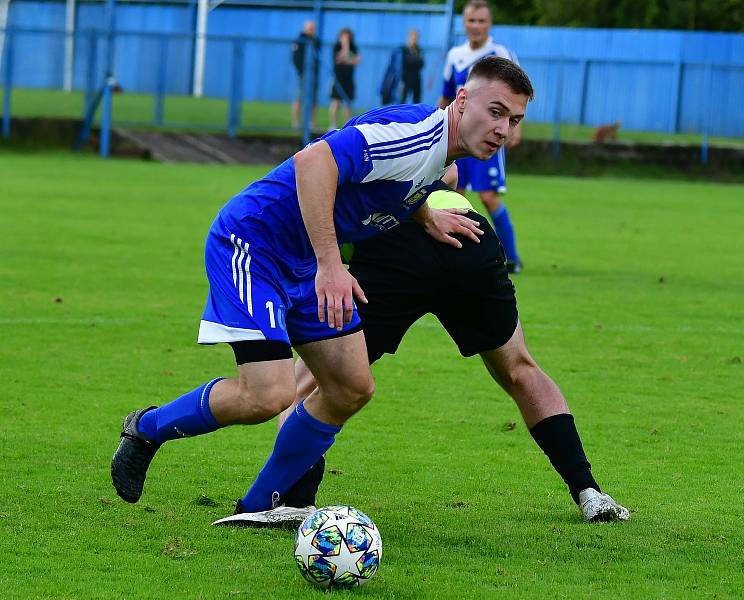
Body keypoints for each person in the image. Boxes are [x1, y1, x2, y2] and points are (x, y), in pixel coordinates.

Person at [110, 57, 535, 525]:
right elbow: (315, 161)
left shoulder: (443, 160)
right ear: (462, 100)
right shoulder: (418, 137)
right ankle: (146, 429)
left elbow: (401, 182)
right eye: (495, 112)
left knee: (351, 387)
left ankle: (262, 504)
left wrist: (426, 216)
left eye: (514, 120)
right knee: (266, 396)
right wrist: (332, 265)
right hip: (256, 244)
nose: (503, 130)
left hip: (307, 259)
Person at [214, 180, 630, 528]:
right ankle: (588, 491)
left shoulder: (353, 151)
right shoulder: (432, 134)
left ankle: (295, 496)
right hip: (469, 235)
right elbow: (447, 174)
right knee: (520, 368)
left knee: (315, 378)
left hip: (395, 247)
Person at [440, 0, 524, 274]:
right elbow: (446, 96)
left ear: (490, 24)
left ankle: (512, 257)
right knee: (454, 196)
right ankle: (453, 257)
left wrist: (515, 128)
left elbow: (517, 94)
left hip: (486, 138)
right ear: (464, 23)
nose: (476, 26)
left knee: (488, 197)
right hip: (456, 138)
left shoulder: (500, 54)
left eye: (481, 21)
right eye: (471, 21)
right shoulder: (455, 55)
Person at [290, 20, 321, 130]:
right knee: (299, 98)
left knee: (313, 100)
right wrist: (301, 72)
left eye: (313, 28)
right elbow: (295, 58)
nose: (311, 30)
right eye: (309, 28)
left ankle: (312, 123)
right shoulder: (299, 40)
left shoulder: (316, 41)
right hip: (303, 75)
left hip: (314, 75)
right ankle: (296, 123)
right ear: (305, 28)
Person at [329, 28, 360, 130]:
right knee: (336, 102)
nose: (346, 39)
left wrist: (347, 58)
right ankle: (333, 124)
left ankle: (348, 126)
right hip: (338, 78)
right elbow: (338, 59)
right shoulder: (336, 47)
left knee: (348, 103)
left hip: (349, 79)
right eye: (344, 37)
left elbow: (357, 60)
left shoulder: (354, 47)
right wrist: (345, 48)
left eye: (348, 37)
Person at [399, 29, 424, 104]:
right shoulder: (404, 49)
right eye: (413, 37)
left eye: (416, 37)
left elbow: (422, 63)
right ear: (409, 37)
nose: (415, 39)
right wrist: (416, 60)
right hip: (405, 78)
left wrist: (415, 59)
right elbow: (407, 62)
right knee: (402, 100)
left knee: (417, 100)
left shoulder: (419, 50)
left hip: (416, 78)